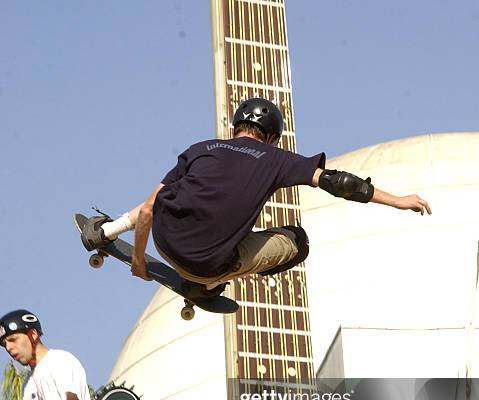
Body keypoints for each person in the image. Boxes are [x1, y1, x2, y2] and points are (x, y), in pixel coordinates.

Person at [79, 97, 431, 291]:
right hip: (205, 266)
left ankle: (105, 231)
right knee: (296, 241)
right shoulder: (277, 159)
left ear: (235, 127)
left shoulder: (202, 147)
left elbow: (148, 211)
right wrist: (398, 201)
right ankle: (215, 281)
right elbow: (340, 183)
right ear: (272, 136)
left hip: (163, 241)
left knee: (174, 196)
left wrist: (139, 261)